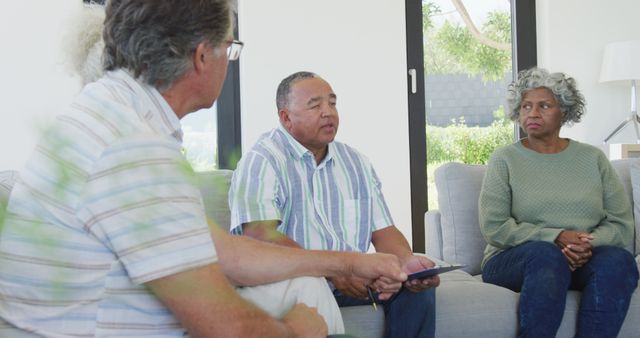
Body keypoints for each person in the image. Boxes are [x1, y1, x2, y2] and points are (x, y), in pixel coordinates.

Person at [0, 1, 409, 337]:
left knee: (305, 286)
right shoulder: (132, 146)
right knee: (306, 306)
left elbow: (221, 251)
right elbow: (223, 324)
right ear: (201, 56)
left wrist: (346, 264)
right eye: (230, 49)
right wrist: (299, 332)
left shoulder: (116, 113)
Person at [229, 71, 439, 338]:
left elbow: (384, 232)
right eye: (315, 105)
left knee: (412, 288)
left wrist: (406, 266)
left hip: (353, 278)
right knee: (311, 283)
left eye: (332, 103)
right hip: (295, 282)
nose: (328, 112)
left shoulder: (356, 162)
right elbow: (260, 238)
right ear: (286, 117)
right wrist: (335, 270)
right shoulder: (263, 160)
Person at [478, 67, 639, 337]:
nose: (532, 113)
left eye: (544, 105)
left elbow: (621, 225)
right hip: (515, 261)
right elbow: (495, 227)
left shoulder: (592, 158)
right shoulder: (504, 159)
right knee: (546, 255)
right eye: (526, 106)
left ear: (563, 111)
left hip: (582, 257)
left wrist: (583, 245)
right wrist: (557, 237)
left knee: (620, 261)